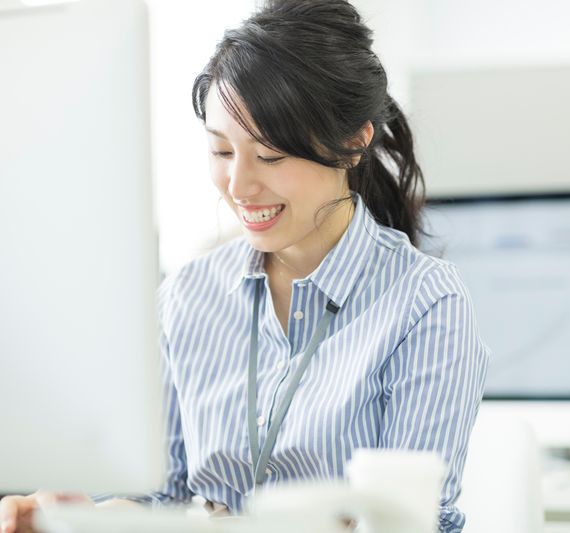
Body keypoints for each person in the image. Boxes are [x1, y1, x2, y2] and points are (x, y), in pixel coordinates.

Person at [0, 1, 489, 532]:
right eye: (222, 151)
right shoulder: (189, 294)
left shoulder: (424, 302)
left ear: (353, 143)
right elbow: (160, 498)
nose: (238, 186)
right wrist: (79, 517)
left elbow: (414, 521)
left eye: (270, 156)